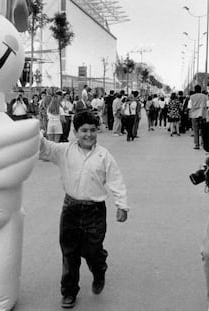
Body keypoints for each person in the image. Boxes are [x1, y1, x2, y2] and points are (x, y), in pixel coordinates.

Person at [39, 110, 129, 309]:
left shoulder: (103, 155)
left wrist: (122, 205)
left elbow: (116, 180)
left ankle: (99, 268)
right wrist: (33, 133)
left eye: (93, 130)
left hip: (95, 211)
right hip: (71, 208)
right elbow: (43, 149)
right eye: (84, 131)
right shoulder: (64, 150)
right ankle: (69, 291)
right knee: (69, 251)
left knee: (92, 250)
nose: (89, 135)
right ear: (75, 132)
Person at [189, 85, 209, 149]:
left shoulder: (191, 97)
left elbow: (189, 106)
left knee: (196, 130)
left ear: (195, 90)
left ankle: (197, 145)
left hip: (194, 115)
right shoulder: (205, 96)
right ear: (200, 89)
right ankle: (203, 143)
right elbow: (208, 105)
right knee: (203, 130)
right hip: (203, 115)